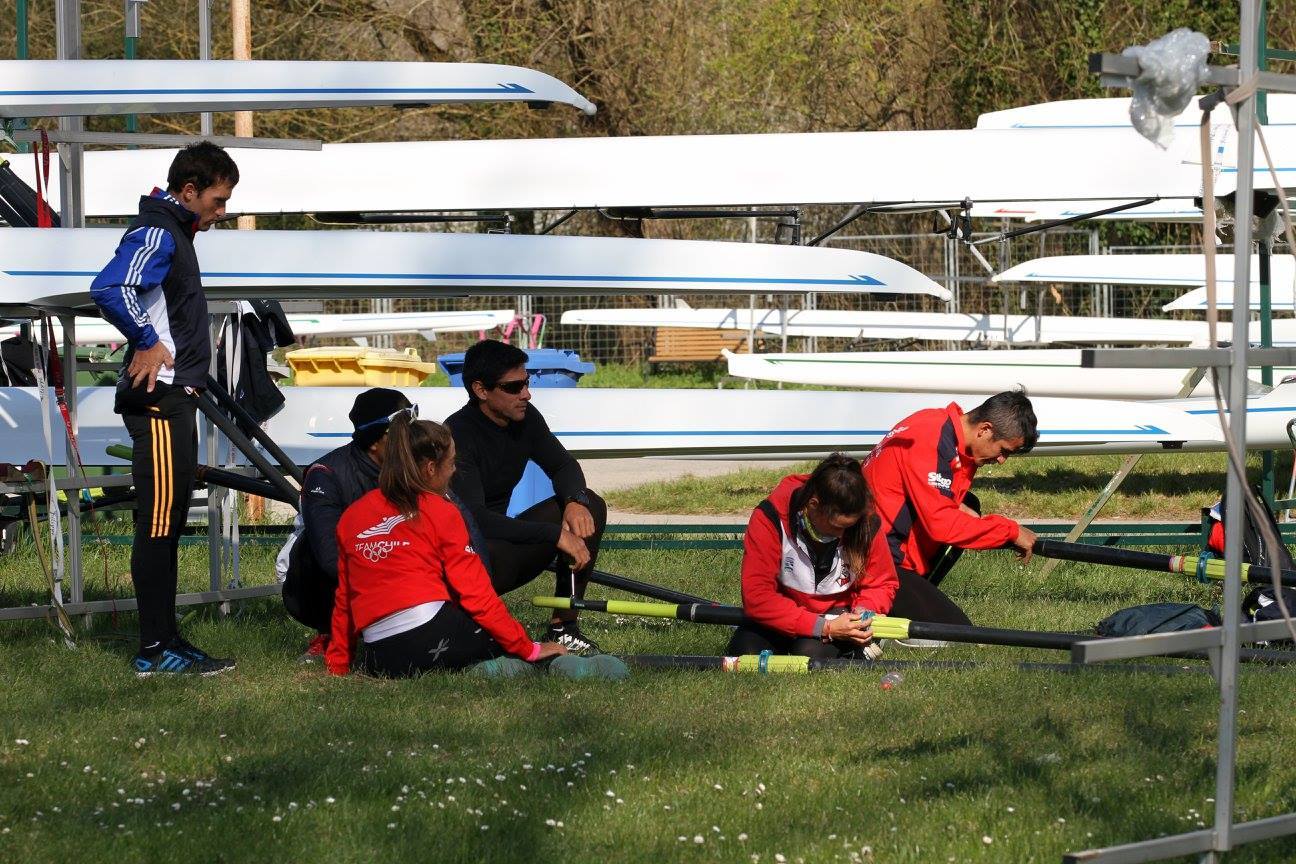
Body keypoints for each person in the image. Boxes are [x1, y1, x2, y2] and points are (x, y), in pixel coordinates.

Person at [90, 141, 238, 676]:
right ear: (190, 190)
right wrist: (147, 340)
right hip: (157, 399)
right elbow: (111, 287)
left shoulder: (176, 231)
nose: (222, 212)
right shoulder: (157, 230)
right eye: (218, 201)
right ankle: (153, 650)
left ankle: (169, 638)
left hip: (177, 397)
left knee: (169, 524)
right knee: (157, 524)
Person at [327, 413, 566, 677]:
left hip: (380, 657)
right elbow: (476, 594)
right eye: (451, 463)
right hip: (430, 634)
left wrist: (338, 664)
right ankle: (542, 665)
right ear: (431, 468)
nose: (454, 471)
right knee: (508, 644)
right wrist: (528, 648)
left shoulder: (352, 515)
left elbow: (345, 598)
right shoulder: (441, 510)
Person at [445, 340, 606, 655]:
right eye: (513, 387)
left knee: (591, 505)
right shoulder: (458, 435)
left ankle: (564, 626)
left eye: (526, 383)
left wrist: (574, 501)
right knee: (498, 541)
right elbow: (475, 520)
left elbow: (563, 465)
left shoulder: (526, 417)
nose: (526, 394)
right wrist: (554, 534)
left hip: (499, 542)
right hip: (466, 554)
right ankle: (472, 620)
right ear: (481, 390)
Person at [863, 390, 1038, 628]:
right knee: (959, 636)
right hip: (874, 562)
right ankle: (882, 608)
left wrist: (964, 512)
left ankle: (914, 592)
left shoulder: (937, 424)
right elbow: (942, 526)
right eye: (1004, 450)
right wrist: (1011, 531)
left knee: (970, 504)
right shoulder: (930, 440)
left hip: (876, 546)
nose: (1002, 460)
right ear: (985, 429)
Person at [278, 388, 417, 660]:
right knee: (321, 548)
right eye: (403, 433)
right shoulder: (326, 474)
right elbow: (330, 558)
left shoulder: (417, 466)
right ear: (375, 442)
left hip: (388, 570)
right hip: (312, 581)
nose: (412, 440)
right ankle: (330, 631)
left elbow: (462, 526)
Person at [728, 454, 897, 659]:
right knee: (745, 651)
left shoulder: (866, 521)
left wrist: (865, 610)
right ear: (813, 505)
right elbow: (758, 596)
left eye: (849, 527)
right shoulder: (770, 517)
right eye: (836, 526)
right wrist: (822, 627)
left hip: (839, 612)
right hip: (783, 612)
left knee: (808, 654)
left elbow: (881, 583)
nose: (842, 535)